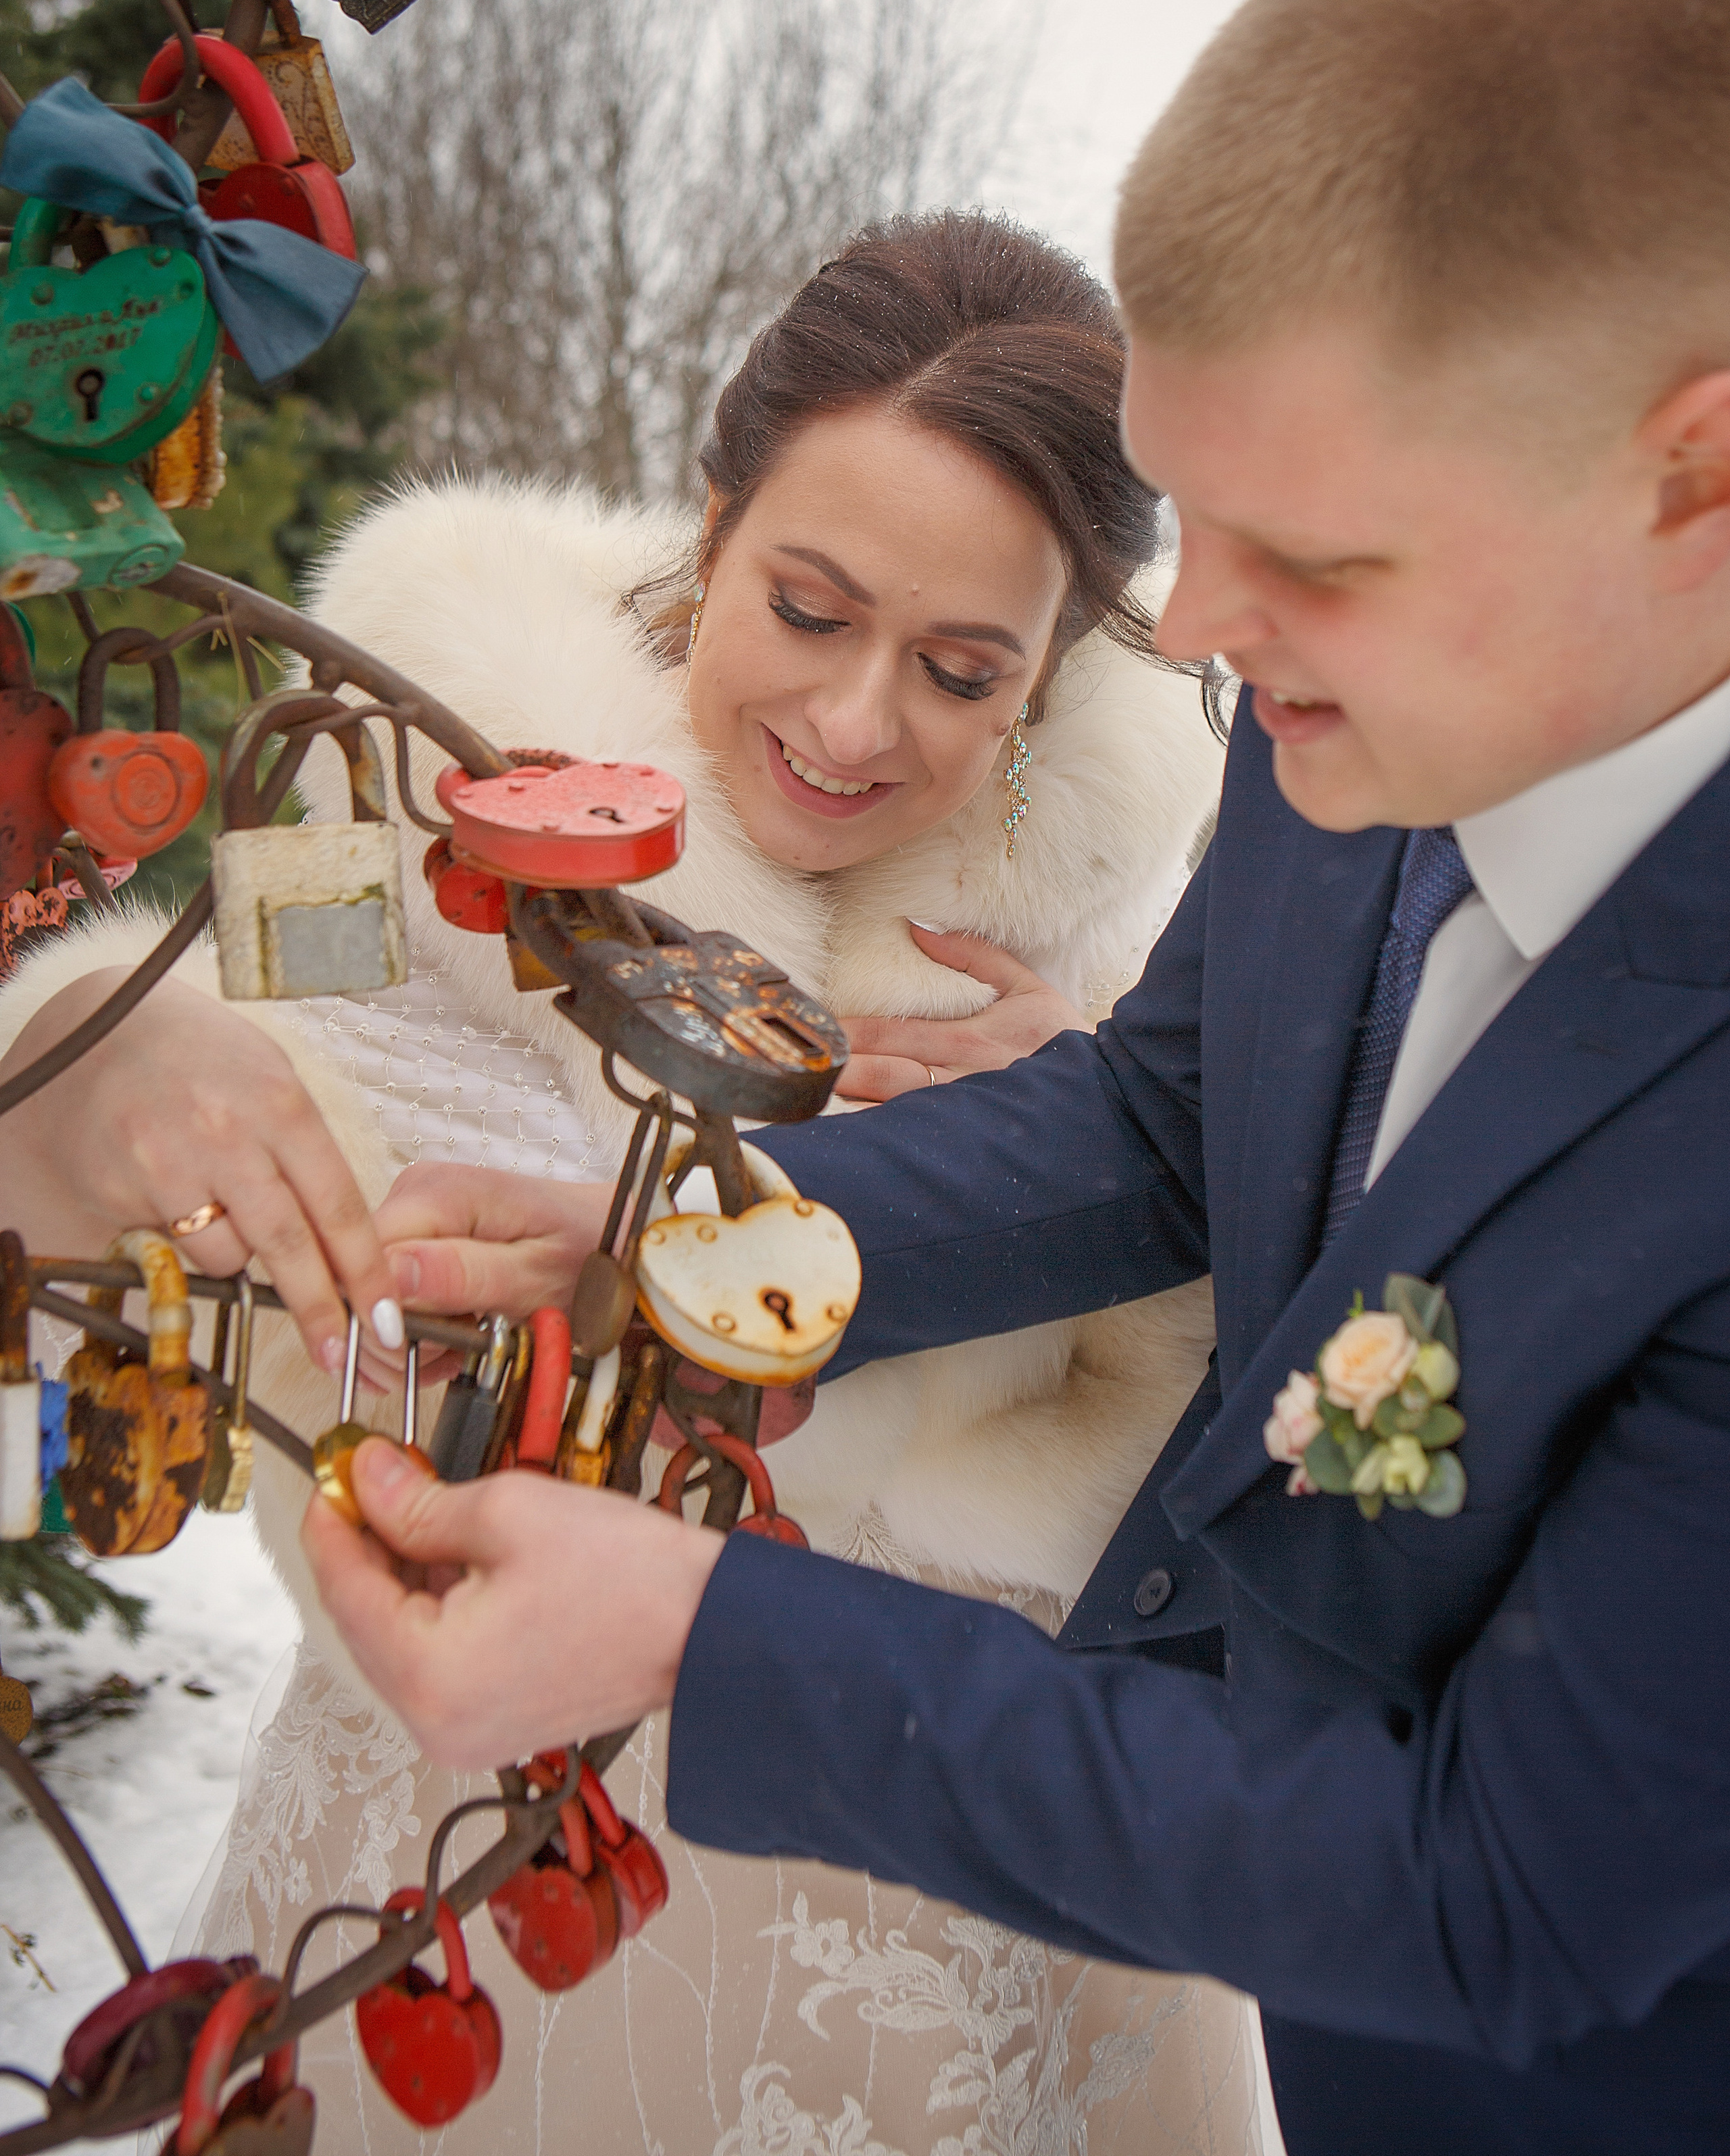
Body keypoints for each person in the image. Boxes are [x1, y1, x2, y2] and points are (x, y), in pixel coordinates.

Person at [283, 0, 1730, 2156]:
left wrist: (699, 1640)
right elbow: (1167, 1125)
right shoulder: (1340, 713)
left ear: (1695, 471)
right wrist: (673, 1261)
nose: (1207, 639)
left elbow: (1510, 1894)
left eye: (1317, 552)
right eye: (1188, 520)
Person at [0, 214, 1254, 2152]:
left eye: (958, 668)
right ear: (713, 515)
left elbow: (1231, 1451)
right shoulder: (426, 796)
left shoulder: (1131, 962)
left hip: (951, 1914)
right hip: (459, 1890)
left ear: (1058, 667)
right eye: (812, 608)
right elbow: (142, 1110)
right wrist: (103, 1051)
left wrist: (1091, 1152)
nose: (856, 725)